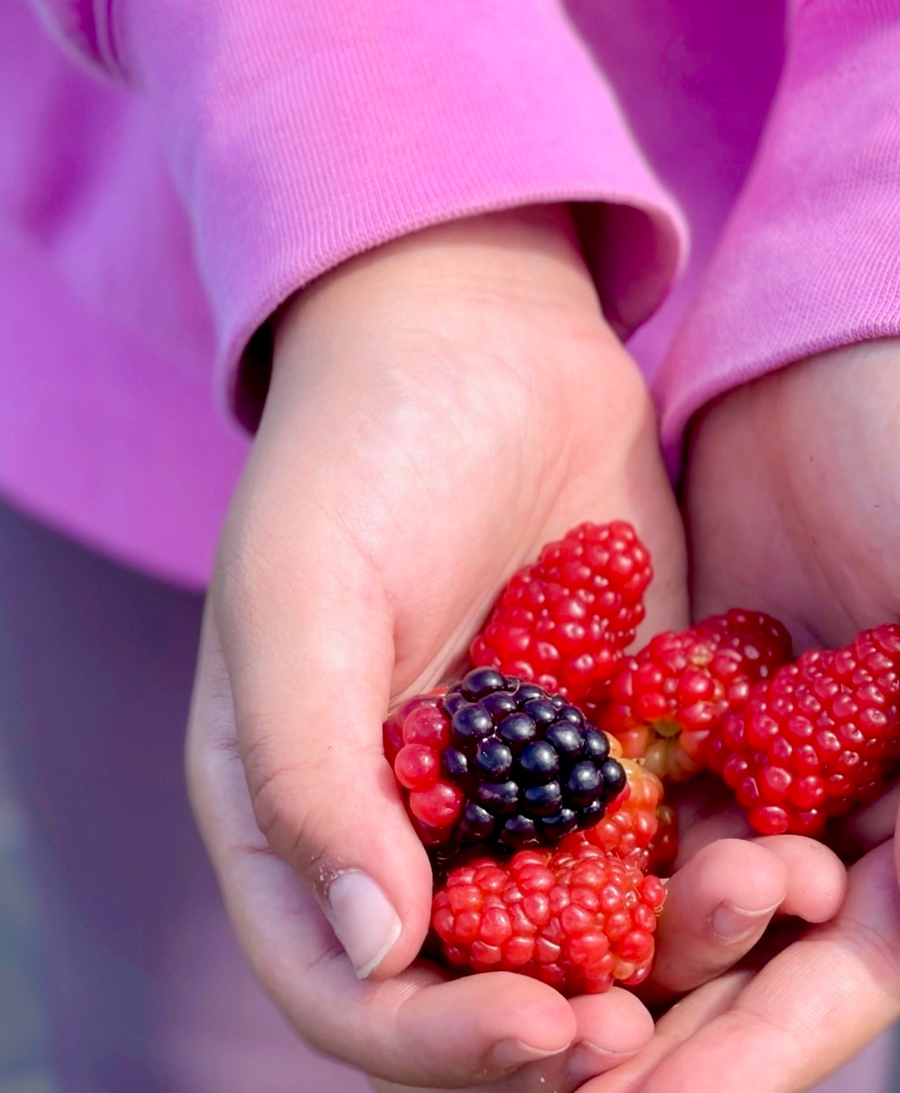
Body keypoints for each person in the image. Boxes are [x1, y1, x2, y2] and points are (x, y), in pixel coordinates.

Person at [1, 2, 899, 1092]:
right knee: (214, 1028)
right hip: (189, 351)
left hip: (812, 266)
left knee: (789, 959)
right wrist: (409, 237)